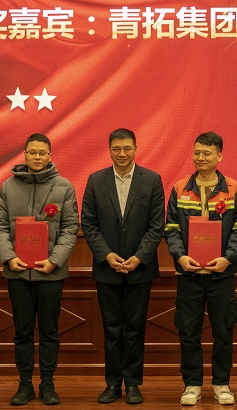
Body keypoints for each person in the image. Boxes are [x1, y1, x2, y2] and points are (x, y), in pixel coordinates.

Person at [0, 133, 79, 406]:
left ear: (50, 155)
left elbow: (70, 228)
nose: (37, 157)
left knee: (50, 331)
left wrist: (54, 260)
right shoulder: (8, 186)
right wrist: (9, 258)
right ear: (25, 154)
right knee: (23, 331)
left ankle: (48, 384)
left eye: (42, 152)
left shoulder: (64, 187)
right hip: (17, 272)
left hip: (51, 273)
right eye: (32, 152)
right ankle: (24, 384)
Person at [164, 131, 237, 406]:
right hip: (188, 274)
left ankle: (222, 384)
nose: (200, 157)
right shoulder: (180, 188)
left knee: (223, 332)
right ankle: (192, 384)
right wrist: (179, 256)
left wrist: (228, 258)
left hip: (221, 274)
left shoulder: (233, 188)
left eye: (207, 153)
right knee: (188, 332)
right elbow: (171, 228)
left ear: (219, 155)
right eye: (197, 152)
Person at [81, 128, 165, 405]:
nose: (122, 153)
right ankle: (113, 383)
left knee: (136, 329)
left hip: (140, 269)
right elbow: (88, 223)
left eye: (127, 148)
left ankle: (133, 384)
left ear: (135, 149)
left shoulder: (151, 180)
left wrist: (139, 257)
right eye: (116, 148)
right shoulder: (96, 180)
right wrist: (107, 255)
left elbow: (156, 225)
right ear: (109, 150)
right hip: (107, 268)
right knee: (112, 329)